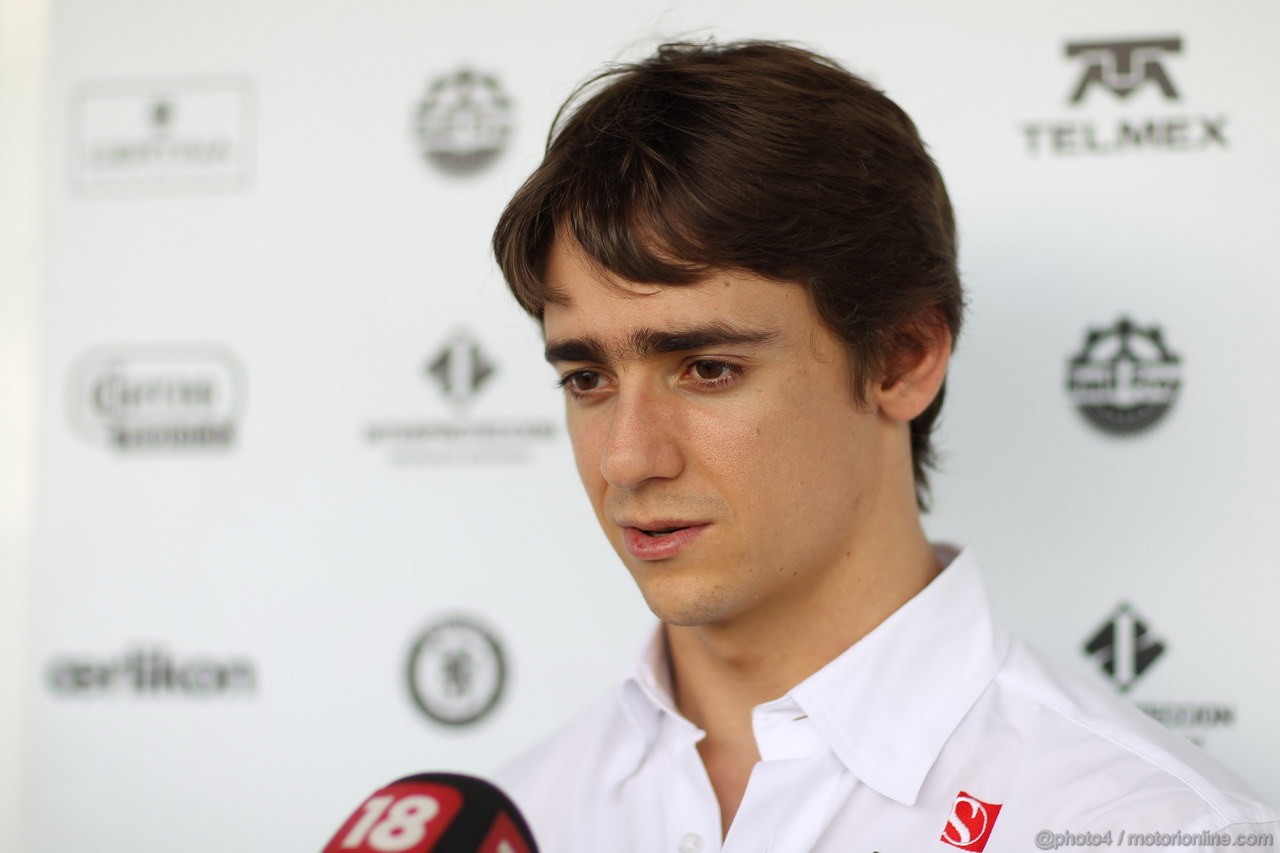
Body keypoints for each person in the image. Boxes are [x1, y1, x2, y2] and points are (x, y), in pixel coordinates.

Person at [488, 39, 1278, 852]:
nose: (626, 458)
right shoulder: (506, 821)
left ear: (904, 357)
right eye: (586, 378)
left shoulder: (1164, 830)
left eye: (708, 367)